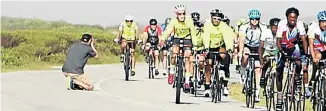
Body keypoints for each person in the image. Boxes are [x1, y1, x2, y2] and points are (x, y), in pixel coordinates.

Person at [275, 7, 309, 110]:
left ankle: (297, 78)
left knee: (298, 62)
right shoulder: (282, 24)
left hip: (294, 46)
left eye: (295, 17)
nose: (292, 19)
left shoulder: (300, 25)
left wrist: (305, 55)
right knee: (279, 70)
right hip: (283, 46)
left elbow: (304, 40)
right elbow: (278, 40)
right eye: (291, 17)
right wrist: (282, 52)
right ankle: (280, 98)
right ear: (287, 17)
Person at [160, 4, 198, 91]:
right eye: (179, 14)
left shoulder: (189, 21)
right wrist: (162, 39)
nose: (182, 16)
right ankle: (172, 72)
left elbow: (193, 33)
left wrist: (195, 45)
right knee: (174, 54)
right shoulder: (173, 21)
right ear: (176, 15)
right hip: (177, 38)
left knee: (188, 58)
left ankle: (187, 81)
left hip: (187, 38)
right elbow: (168, 30)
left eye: (183, 13)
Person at [238, 9, 270, 102]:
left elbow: (264, 41)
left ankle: (256, 91)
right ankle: (243, 72)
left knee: (258, 68)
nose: (254, 20)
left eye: (256, 19)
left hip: (258, 47)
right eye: (252, 19)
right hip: (248, 45)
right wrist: (240, 51)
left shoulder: (263, 27)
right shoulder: (244, 27)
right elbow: (242, 40)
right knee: (245, 55)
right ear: (250, 19)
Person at [202, 9, 234, 97]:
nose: (216, 20)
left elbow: (227, 38)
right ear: (211, 18)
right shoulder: (207, 26)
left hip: (220, 46)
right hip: (210, 46)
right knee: (208, 64)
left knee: (224, 56)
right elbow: (206, 37)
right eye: (214, 18)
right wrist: (206, 47)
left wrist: (230, 48)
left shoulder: (224, 26)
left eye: (218, 19)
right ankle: (207, 87)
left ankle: (225, 85)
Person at [308, 10, 326, 96]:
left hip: (324, 49)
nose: (324, 24)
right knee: (317, 57)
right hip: (316, 49)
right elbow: (310, 44)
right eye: (323, 22)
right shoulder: (313, 28)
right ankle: (313, 78)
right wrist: (314, 57)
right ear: (319, 22)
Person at [258, 18, 280, 89]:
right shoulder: (265, 32)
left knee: (278, 65)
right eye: (274, 27)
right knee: (267, 60)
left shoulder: (281, 33)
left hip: (276, 50)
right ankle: (263, 75)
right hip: (266, 50)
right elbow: (261, 46)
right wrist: (261, 58)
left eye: (277, 27)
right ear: (270, 27)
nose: (275, 29)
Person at [191, 12, 205, 86]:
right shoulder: (189, 27)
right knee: (191, 61)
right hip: (192, 47)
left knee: (201, 62)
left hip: (200, 47)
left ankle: (201, 72)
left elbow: (205, 37)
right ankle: (191, 76)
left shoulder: (202, 28)